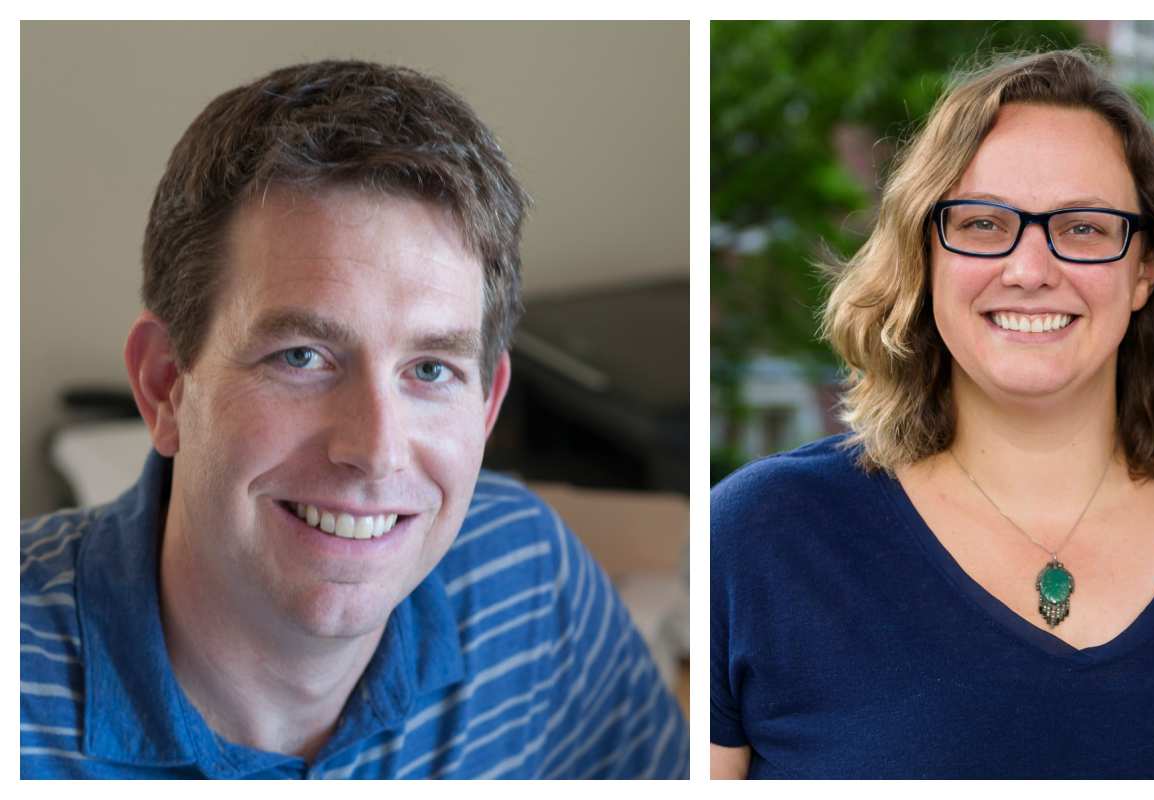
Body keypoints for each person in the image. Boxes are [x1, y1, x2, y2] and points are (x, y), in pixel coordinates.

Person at [710, 49, 1154, 779]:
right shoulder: (762, 543)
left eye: (1085, 227)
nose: (1030, 270)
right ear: (924, 256)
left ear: (1145, 271)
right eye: (984, 223)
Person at [20, 59, 687, 779]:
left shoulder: (528, 578)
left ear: (488, 405)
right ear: (164, 386)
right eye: (301, 357)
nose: (376, 450)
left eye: (430, 370)